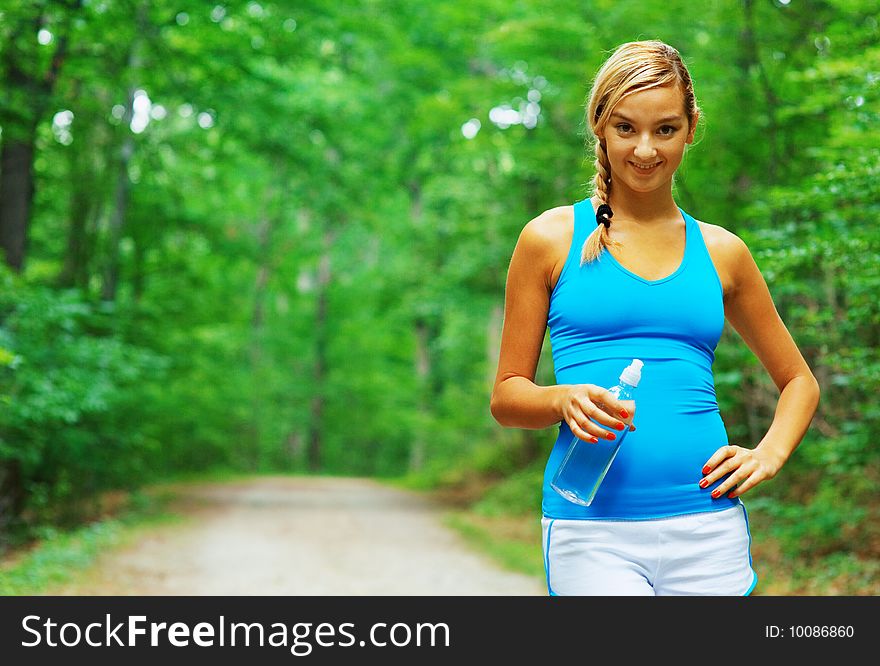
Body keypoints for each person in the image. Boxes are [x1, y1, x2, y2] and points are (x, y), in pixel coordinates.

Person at [489, 40, 821, 596]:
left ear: (691, 128)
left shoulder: (722, 253)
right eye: (626, 128)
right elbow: (506, 397)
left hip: (708, 525)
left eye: (665, 129)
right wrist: (560, 399)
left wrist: (770, 453)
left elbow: (799, 383)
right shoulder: (549, 240)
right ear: (600, 125)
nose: (645, 150)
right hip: (589, 530)